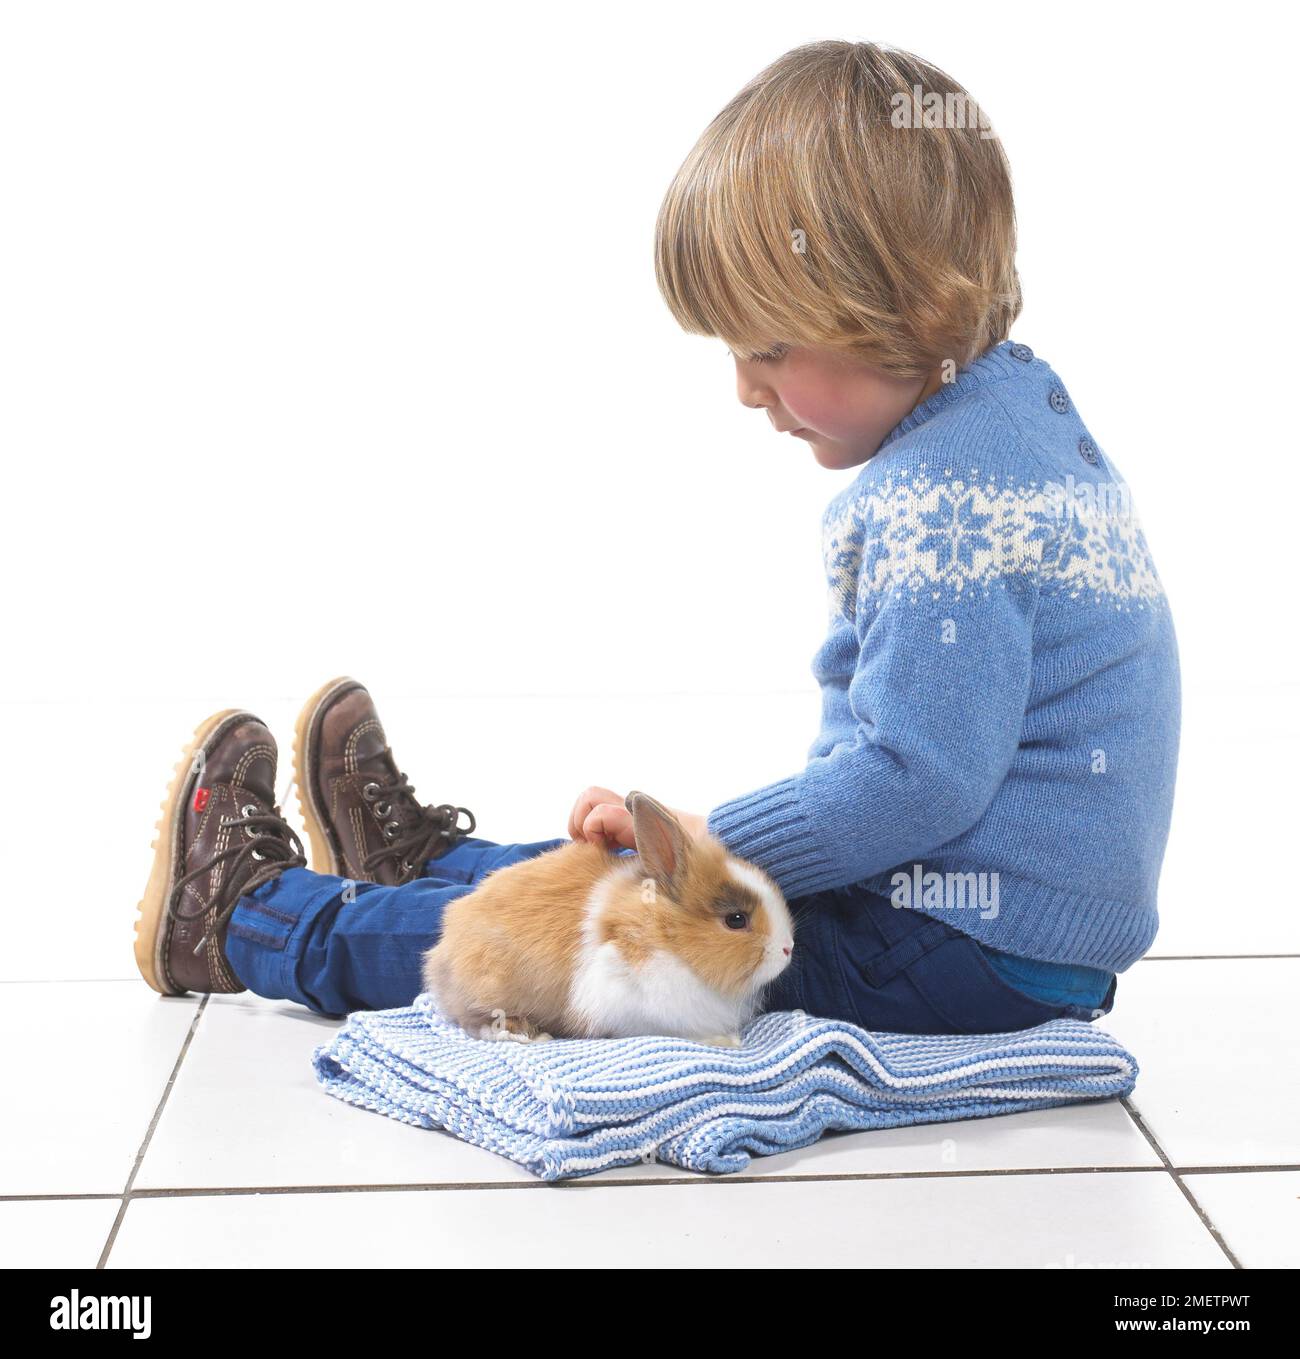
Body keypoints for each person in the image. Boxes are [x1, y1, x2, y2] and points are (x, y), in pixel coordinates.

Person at [133, 40, 1180, 1035]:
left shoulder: (942, 502)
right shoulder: (1019, 420)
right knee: (627, 883)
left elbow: (920, 783)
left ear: (902, 308)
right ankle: (424, 862)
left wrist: (706, 851)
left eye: (769, 347)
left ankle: (244, 923)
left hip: (963, 950)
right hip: (1013, 936)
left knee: (609, 937)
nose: (744, 388)